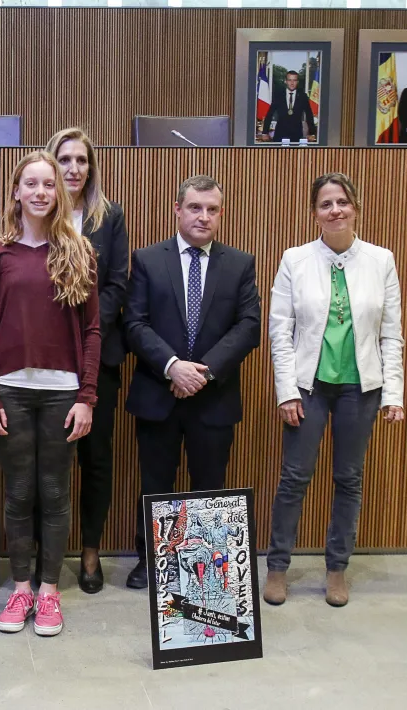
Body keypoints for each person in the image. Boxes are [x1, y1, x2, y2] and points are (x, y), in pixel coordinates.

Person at [0, 151, 100, 637]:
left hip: (62, 394)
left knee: (54, 492)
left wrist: (86, 396)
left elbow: (91, 332)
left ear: (60, 192)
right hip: (9, 391)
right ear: (17, 191)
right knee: (19, 493)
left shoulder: (79, 251)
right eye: (32, 183)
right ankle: (21, 586)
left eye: (50, 184)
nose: (42, 192)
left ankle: (49, 591)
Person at [264, 173, 405, 608]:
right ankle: (278, 567)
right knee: (294, 478)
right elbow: (280, 331)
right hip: (308, 388)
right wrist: (286, 391)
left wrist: (393, 394)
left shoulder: (381, 260)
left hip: (359, 390)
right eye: (326, 204)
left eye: (342, 202)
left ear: (356, 208)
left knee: (349, 478)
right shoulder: (295, 259)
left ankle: (337, 568)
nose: (335, 210)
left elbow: (391, 334)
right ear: (314, 213)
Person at [122, 175, 261, 591]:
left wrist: (201, 371)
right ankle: (152, 560)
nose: (204, 216)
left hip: (212, 396)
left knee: (210, 486)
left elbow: (248, 326)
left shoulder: (239, 264)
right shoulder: (147, 260)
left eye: (212, 209)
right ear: (177, 209)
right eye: (196, 207)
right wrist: (172, 366)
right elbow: (133, 323)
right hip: (158, 392)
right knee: (155, 484)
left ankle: (206, 574)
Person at [44, 127, 129, 594]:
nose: (74, 168)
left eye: (82, 160)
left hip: (98, 355)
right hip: (45, 358)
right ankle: (44, 552)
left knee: (96, 458)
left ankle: (91, 549)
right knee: (47, 459)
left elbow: (117, 284)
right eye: (65, 159)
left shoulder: (108, 218)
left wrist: (87, 332)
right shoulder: (36, 212)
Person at [261, 70, 317, 143]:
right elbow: (269, 114)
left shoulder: (303, 96)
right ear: (286, 81)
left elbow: (309, 115)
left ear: (297, 82)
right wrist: (265, 132)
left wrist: (312, 133)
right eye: (289, 80)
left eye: (294, 80)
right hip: (280, 135)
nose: (292, 83)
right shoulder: (278, 95)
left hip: (297, 135)